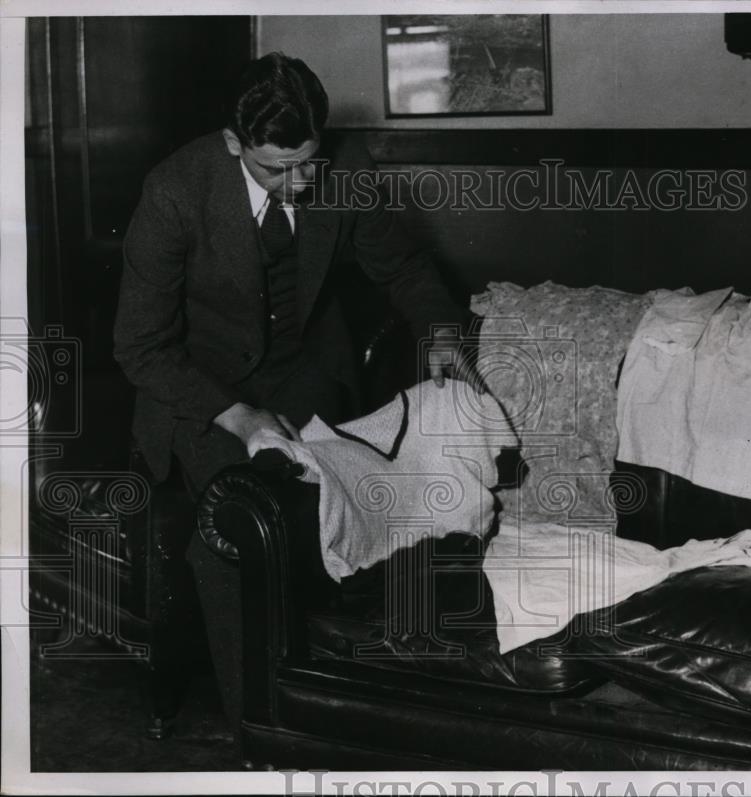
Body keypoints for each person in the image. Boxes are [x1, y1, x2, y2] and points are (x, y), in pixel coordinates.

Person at [113, 52, 478, 732]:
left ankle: (354, 707)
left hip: (306, 372)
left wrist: (444, 343)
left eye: (308, 161)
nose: (300, 183)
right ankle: (264, 728)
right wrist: (238, 414)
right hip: (198, 387)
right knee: (242, 521)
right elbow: (141, 346)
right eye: (276, 168)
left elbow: (403, 269)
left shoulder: (346, 171)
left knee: (356, 498)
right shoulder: (174, 191)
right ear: (232, 143)